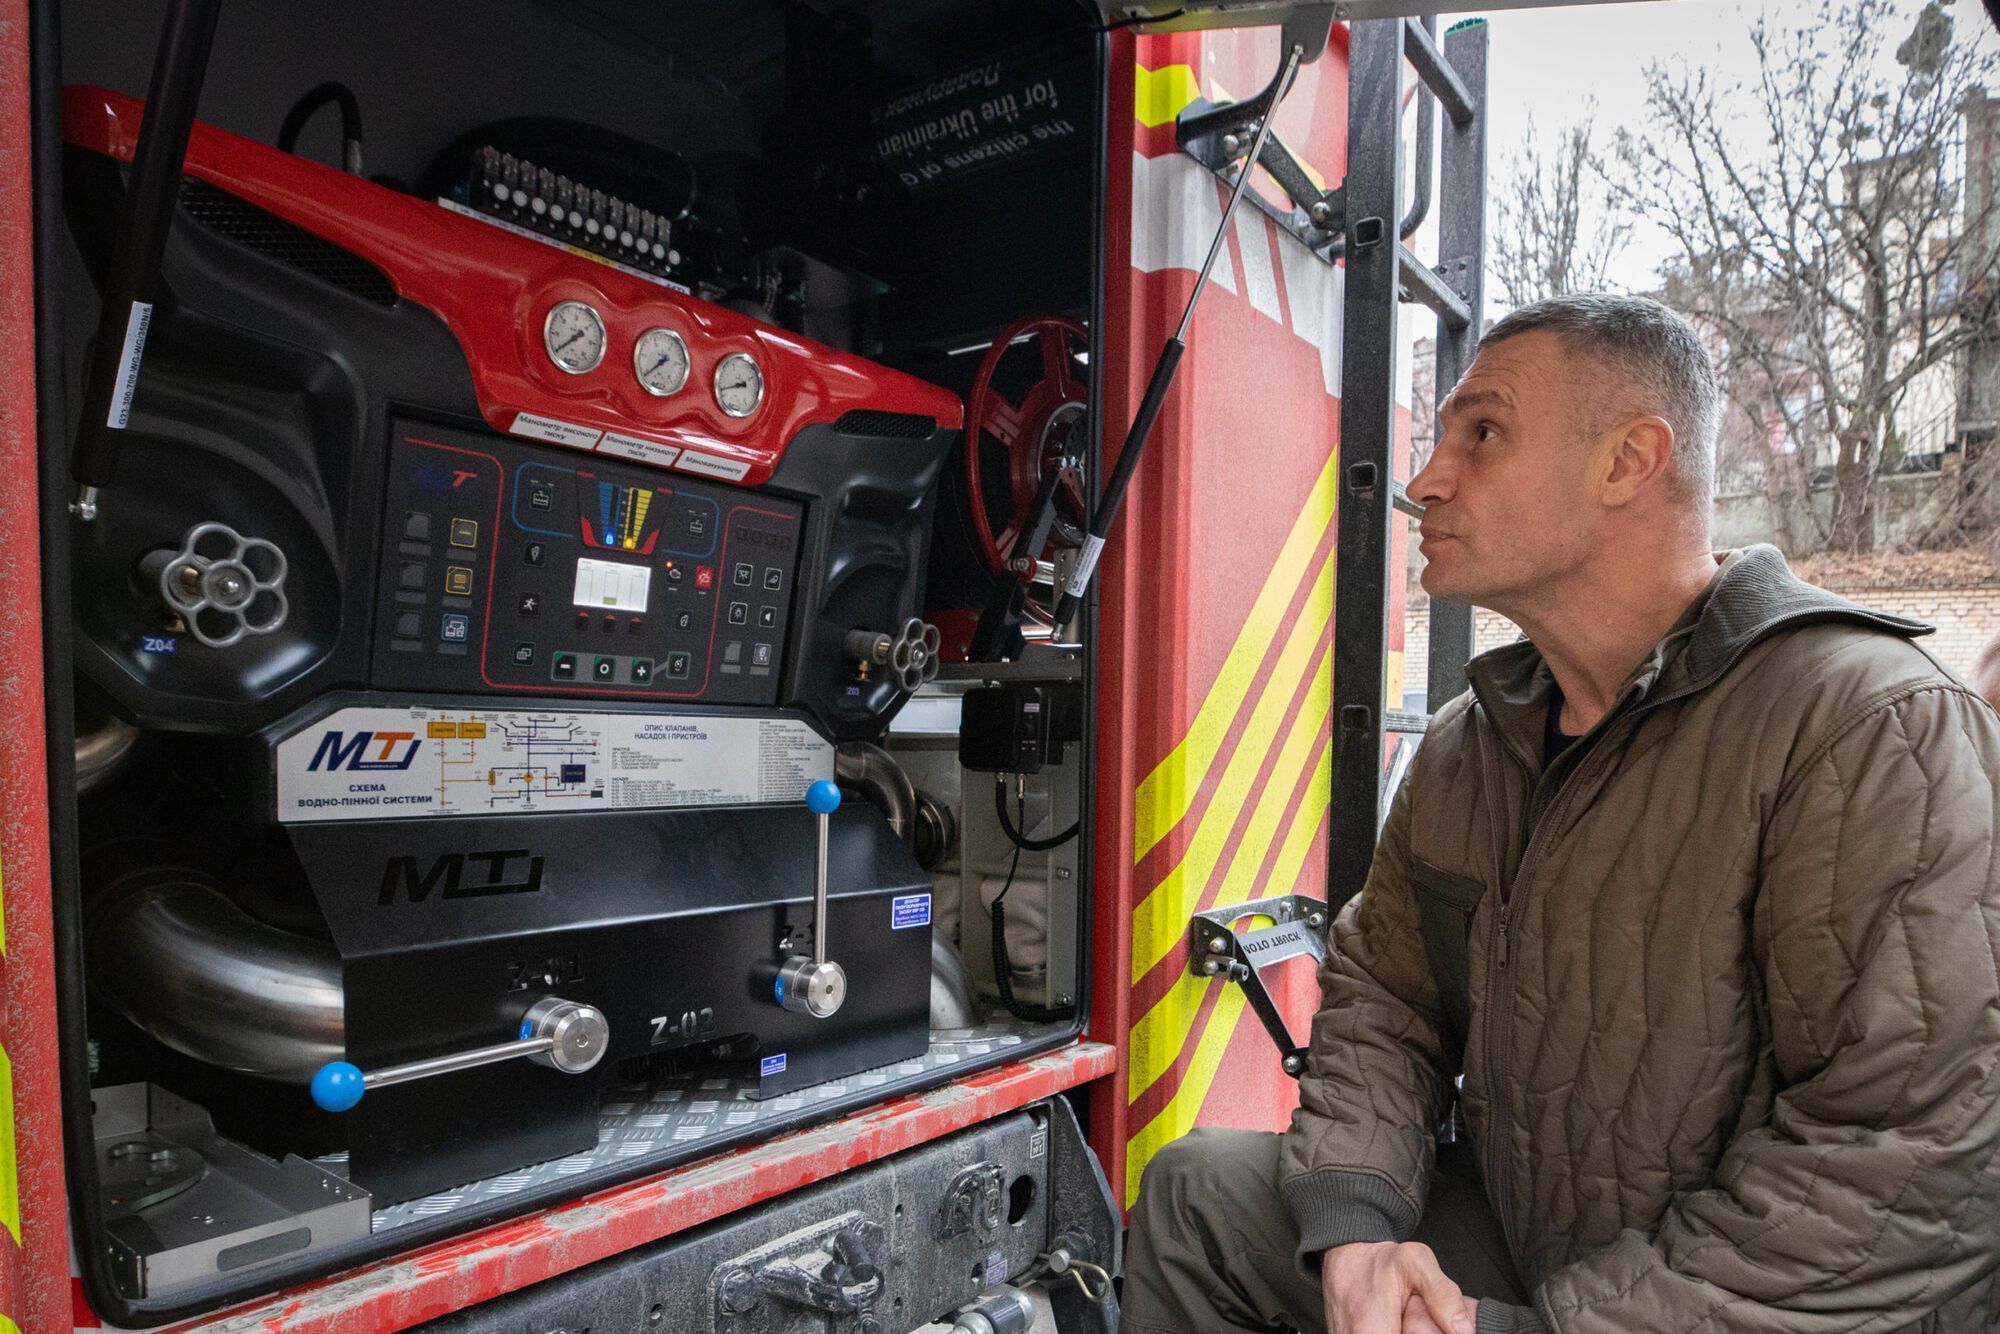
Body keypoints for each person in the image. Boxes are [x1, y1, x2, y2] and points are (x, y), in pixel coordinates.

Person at [1121, 294, 2000, 1332]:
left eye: (1480, 433)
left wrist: (1541, 1329)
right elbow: (1385, 1000)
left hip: (1737, 1295)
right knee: (1197, 1195)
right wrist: (1358, 1228)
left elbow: (1909, 1170)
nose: (1420, 482)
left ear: (1628, 461)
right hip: (1530, 1226)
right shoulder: (1469, 742)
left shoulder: (1862, 724)